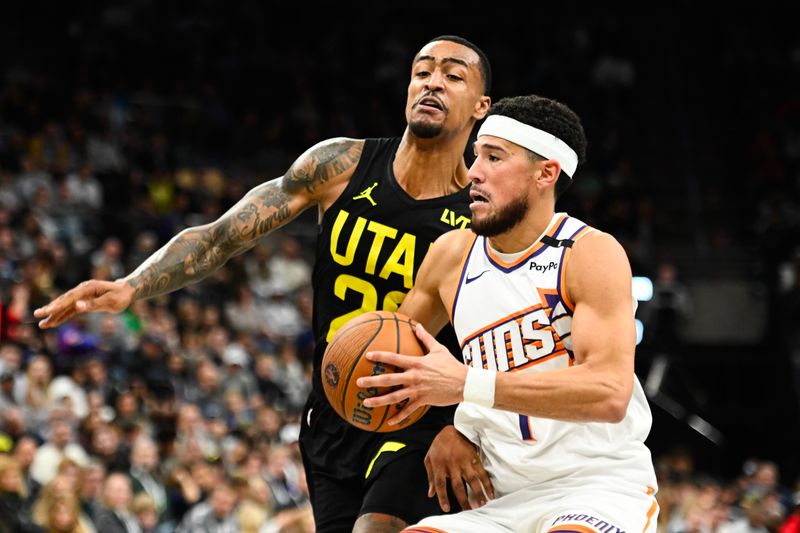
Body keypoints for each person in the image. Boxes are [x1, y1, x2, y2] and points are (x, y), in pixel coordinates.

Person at [34, 35, 494, 532]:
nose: (432, 82)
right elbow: (220, 238)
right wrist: (132, 285)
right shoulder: (340, 166)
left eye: (453, 75)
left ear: (480, 107)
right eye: (423, 70)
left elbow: (498, 337)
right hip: (332, 413)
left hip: (418, 420)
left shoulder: (482, 216)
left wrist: (462, 426)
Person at [356, 94, 660, 532]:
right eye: (475, 155)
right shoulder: (451, 255)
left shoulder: (588, 252)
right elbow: (396, 362)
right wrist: (447, 425)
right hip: (498, 497)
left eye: (493, 157)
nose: (473, 172)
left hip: (598, 488)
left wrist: (467, 385)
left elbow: (609, 394)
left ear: (546, 173)